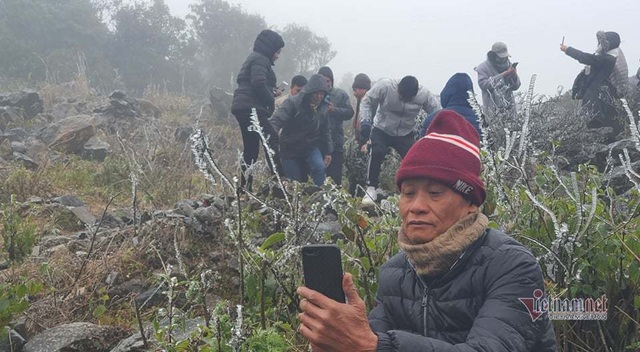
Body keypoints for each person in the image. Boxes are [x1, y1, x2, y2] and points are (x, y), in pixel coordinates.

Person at [296, 110, 557, 352]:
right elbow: (370, 342)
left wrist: (372, 345)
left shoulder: (513, 267)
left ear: (471, 203)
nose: (417, 206)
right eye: (408, 193)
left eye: (435, 193)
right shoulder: (394, 272)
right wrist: (339, 342)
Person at [359, 76, 440, 206]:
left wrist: (433, 132)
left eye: (408, 99)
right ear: (398, 89)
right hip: (382, 128)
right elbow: (366, 100)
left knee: (413, 160)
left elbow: (437, 113)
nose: (403, 100)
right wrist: (365, 121)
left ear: (415, 95)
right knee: (377, 151)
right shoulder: (385, 86)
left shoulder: (424, 94)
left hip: (405, 132)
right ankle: (370, 188)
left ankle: (412, 190)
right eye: (401, 96)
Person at [230, 29, 285, 191]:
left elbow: (256, 83)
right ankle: (280, 179)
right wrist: (270, 98)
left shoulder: (254, 58)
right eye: (277, 51)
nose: (277, 55)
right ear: (270, 48)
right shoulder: (261, 60)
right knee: (271, 140)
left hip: (242, 105)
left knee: (251, 148)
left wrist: (271, 91)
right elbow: (258, 83)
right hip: (251, 108)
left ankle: (244, 187)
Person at [270, 74, 332, 186]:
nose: (319, 97)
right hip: (290, 148)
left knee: (319, 168)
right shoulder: (293, 103)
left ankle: (320, 197)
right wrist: (272, 140)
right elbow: (276, 121)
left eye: (322, 94)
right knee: (295, 183)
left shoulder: (323, 107)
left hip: (311, 146)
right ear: (309, 92)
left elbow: (325, 130)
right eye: (316, 93)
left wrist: (328, 151)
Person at [561, 31, 628, 135]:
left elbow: (586, 58)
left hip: (597, 90)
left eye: (602, 42)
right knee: (606, 114)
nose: (599, 44)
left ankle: (597, 132)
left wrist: (568, 50)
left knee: (595, 114)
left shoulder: (607, 58)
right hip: (601, 89)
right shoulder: (609, 57)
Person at [317, 66, 355, 187]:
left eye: (328, 81)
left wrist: (334, 110)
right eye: (322, 81)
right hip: (316, 142)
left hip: (336, 142)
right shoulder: (313, 94)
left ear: (332, 81)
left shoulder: (340, 94)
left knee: (334, 179)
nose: (325, 84)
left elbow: (350, 112)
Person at [420, 72, 482, 137]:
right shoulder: (480, 123)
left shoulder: (431, 120)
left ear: (446, 94)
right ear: (471, 95)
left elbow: (422, 144)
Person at [475, 42, 521, 121]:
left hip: (510, 111)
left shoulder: (509, 65)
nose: (503, 59)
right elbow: (484, 85)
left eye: (505, 57)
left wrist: (514, 75)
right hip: (492, 112)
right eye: (501, 57)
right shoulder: (482, 68)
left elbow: (516, 86)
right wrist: (503, 75)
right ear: (493, 56)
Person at [348, 73, 372, 197]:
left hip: (366, 146)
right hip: (359, 143)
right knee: (354, 175)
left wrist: (367, 142)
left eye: (356, 89)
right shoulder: (360, 101)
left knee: (361, 176)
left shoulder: (369, 103)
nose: (354, 91)